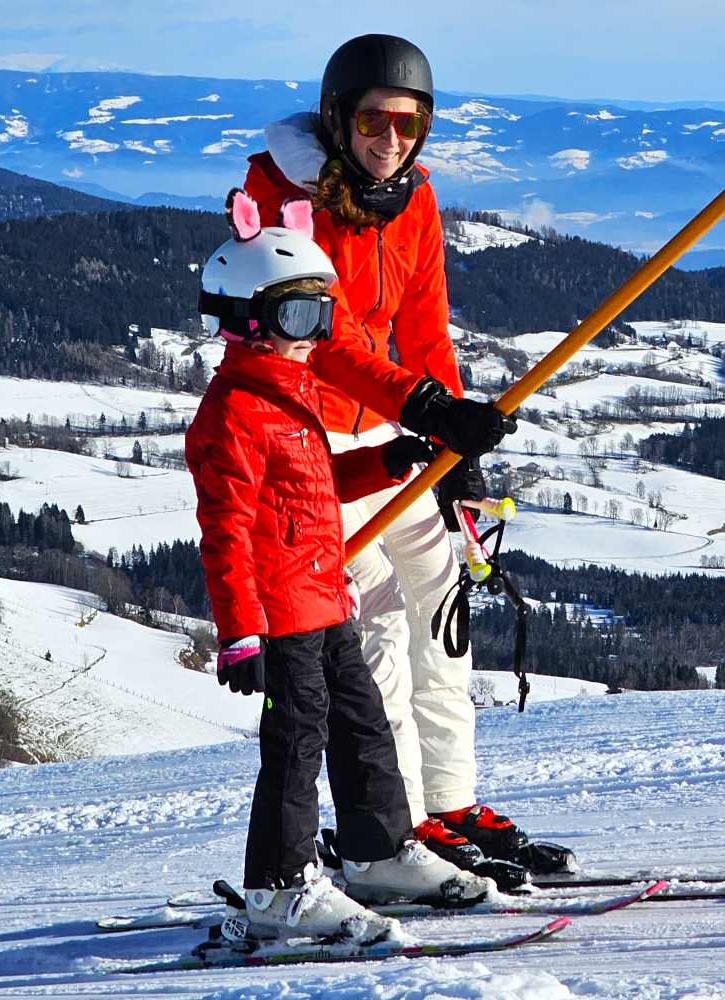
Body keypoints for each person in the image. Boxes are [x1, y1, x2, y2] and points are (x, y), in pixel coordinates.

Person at [241, 33, 572, 875]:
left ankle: (454, 801)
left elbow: (423, 323)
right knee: (378, 630)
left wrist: (447, 433)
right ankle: (402, 823)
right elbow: (328, 338)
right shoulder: (283, 200)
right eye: (374, 120)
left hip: (390, 435)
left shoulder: (412, 200)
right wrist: (421, 405)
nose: (392, 139)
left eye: (410, 123)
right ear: (337, 119)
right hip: (314, 443)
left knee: (440, 608)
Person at [186, 190, 496, 946]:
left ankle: (378, 853)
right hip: (280, 615)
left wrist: (390, 460)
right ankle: (277, 889)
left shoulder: (288, 399)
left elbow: (317, 485)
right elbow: (224, 533)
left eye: (321, 317)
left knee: (362, 731)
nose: (312, 338)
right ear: (245, 318)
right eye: (298, 319)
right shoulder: (232, 415)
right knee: (294, 749)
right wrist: (239, 635)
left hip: (325, 599)